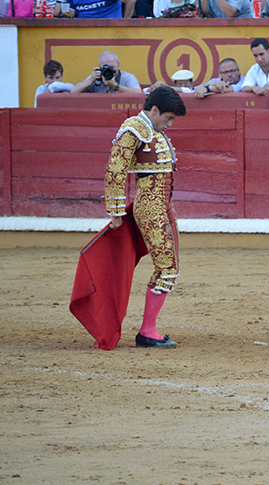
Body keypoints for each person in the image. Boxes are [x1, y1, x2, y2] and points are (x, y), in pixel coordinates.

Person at [105, 86, 187, 349]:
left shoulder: (153, 130)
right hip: (150, 206)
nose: (170, 123)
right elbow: (116, 168)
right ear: (154, 110)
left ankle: (149, 330)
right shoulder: (134, 128)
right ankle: (147, 332)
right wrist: (116, 211)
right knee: (166, 268)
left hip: (165, 205)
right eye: (169, 117)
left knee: (171, 266)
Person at [71, 51, 142, 94]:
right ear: (100, 67)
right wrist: (91, 80)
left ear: (118, 65)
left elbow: (138, 93)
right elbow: (74, 91)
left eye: (112, 67)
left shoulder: (127, 77)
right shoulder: (97, 76)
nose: (109, 71)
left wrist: (115, 86)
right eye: (105, 67)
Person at [53, 0, 136, 18]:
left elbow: (131, 1)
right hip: (83, 33)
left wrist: (125, 23)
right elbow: (70, 14)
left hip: (111, 31)